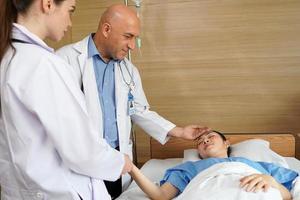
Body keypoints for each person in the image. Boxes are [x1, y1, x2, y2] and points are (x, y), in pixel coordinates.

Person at [56, 4, 210, 199]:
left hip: (116, 158)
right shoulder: (64, 61)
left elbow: (139, 110)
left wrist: (179, 131)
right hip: (80, 159)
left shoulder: (128, 70)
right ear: (106, 29)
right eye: (128, 36)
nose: (132, 45)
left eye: (135, 38)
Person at [0, 0, 133, 199]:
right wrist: (120, 162)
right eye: (70, 11)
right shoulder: (45, 65)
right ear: (47, 4)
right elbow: (82, 152)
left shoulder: (9, 58)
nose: (70, 22)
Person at [129, 131, 298, 200]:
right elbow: (161, 195)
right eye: (200, 142)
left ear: (227, 143)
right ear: (199, 152)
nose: (205, 140)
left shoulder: (257, 166)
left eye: (210, 136)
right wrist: (132, 169)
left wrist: (272, 181)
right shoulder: (189, 168)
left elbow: (289, 195)